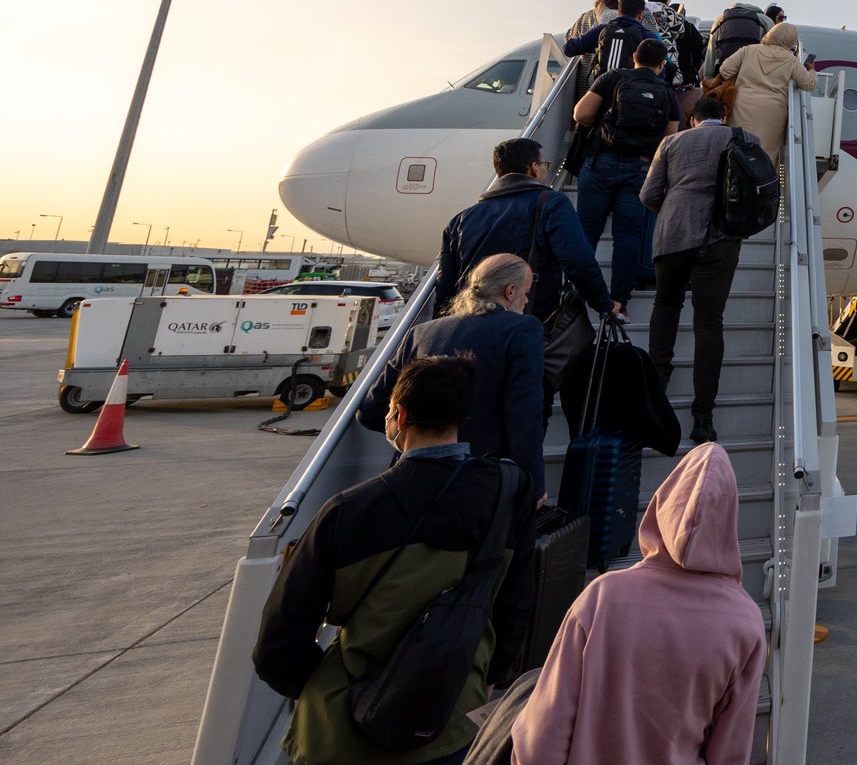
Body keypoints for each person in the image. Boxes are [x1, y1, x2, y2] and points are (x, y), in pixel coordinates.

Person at [257, 354, 538, 765]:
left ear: (400, 415)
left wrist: (324, 690)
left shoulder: (347, 511)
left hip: (343, 732)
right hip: (452, 717)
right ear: (461, 416)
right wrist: (487, 677)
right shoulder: (509, 491)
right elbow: (517, 602)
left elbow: (277, 647)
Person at [509, 442, 766, 765]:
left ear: (662, 504)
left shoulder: (602, 597)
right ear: (729, 516)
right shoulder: (746, 624)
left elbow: (541, 740)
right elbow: (730, 753)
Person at [358, 255, 550, 501]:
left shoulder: (421, 333)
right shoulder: (522, 329)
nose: (526, 300)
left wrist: (416, 438)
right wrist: (532, 488)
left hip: (410, 484)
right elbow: (524, 416)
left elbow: (371, 411)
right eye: (526, 292)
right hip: (479, 487)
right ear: (510, 291)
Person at [640, 96, 740, 445]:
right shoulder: (742, 138)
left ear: (693, 119)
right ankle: (703, 416)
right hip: (721, 238)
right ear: (724, 117)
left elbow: (648, 194)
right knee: (709, 322)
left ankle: (657, 390)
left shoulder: (672, 141)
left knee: (666, 306)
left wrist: (672, 210)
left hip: (674, 234)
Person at [432, 138, 611, 323]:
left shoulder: (460, 220)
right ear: (533, 167)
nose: (546, 169)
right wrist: (605, 304)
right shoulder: (552, 204)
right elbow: (578, 260)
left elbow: (445, 285)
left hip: (470, 325)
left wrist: (443, 327)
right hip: (528, 322)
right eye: (545, 165)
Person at [572, 38, 681, 315]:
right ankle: (619, 302)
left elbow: (581, 114)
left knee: (586, 233)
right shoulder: (667, 92)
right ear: (661, 65)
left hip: (600, 163)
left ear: (634, 55)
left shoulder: (612, 77)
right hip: (640, 170)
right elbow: (670, 139)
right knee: (628, 236)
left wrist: (600, 126)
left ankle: (573, 297)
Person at [716, 20, 817, 150]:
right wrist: (812, 70)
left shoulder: (749, 50)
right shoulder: (791, 60)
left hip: (741, 105)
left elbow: (725, 70)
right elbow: (809, 84)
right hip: (773, 110)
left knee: (735, 149)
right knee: (764, 153)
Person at [563, 0, 656, 81]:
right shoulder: (648, 36)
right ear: (640, 15)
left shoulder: (602, 30)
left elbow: (569, 49)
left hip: (601, 89)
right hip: (632, 91)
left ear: (618, 12)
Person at [644, 0, 707, 86]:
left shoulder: (644, 11)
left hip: (646, 53)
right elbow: (679, 32)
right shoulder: (668, 11)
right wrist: (680, 17)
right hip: (666, 53)